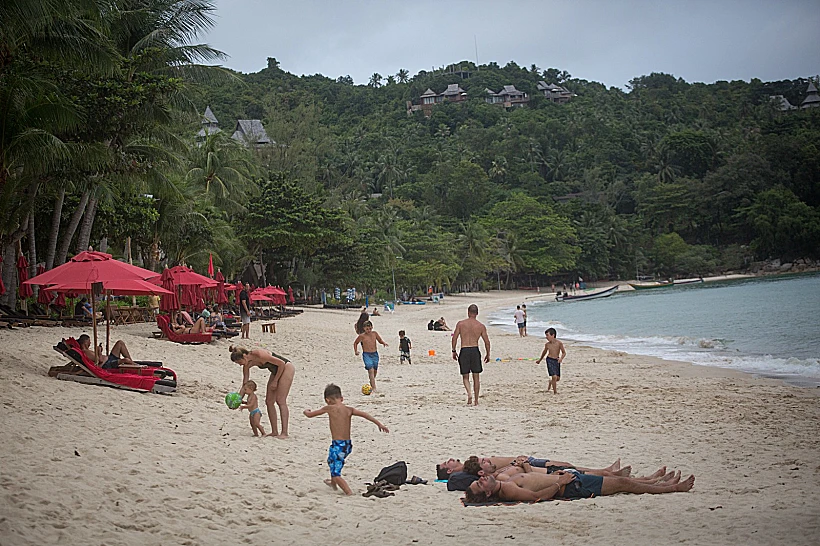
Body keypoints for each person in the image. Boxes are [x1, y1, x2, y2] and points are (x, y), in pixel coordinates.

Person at [303, 384, 389, 496]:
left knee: (335, 472)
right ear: (342, 398)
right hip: (347, 445)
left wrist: (306, 411)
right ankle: (333, 484)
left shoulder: (328, 408)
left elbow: (310, 415)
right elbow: (365, 415)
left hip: (337, 445)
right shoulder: (349, 409)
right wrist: (379, 424)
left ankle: (348, 492)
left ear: (327, 400)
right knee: (332, 462)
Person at [465, 469, 694, 503]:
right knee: (622, 484)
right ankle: (672, 489)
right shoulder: (508, 490)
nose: (482, 477)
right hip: (574, 487)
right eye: (480, 482)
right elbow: (537, 498)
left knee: (621, 483)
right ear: (487, 492)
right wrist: (559, 483)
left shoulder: (503, 483)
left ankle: (654, 481)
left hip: (568, 479)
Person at [230, 345, 296, 438]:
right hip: (275, 371)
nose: (240, 365)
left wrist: (275, 381)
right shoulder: (246, 364)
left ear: (244, 356)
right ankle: (274, 431)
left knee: (280, 400)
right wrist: (237, 400)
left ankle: (284, 432)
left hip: (286, 367)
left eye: (239, 362)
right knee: (269, 401)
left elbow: (281, 363)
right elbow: (245, 384)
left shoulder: (260, 354)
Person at [451, 304, 490, 406]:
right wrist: (488, 354)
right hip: (474, 350)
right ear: (477, 313)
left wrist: (454, 350)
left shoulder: (460, 324)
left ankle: (469, 394)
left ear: (468, 312)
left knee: (465, 376)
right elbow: (487, 341)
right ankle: (476, 401)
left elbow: (454, 338)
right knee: (476, 377)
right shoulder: (481, 326)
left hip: (464, 350)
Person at [353, 320, 388, 392]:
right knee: (370, 370)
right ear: (364, 328)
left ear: (372, 327)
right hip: (367, 354)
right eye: (366, 329)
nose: (368, 330)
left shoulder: (374, 334)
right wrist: (356, 351)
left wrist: (383, 343)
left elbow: (379, 340)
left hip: (375, 354)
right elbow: (355, 343)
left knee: (375, 370)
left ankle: (371, 381)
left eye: (369, 328)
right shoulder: (362, 336)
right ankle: (374, 387)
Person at [536, 328, 566, 394]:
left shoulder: (559, 343)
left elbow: (564, 352)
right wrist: (540, 360)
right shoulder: (547, 344)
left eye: (547, 335)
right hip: (549, 360)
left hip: (556, 360)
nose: (546, 337)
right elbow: (544, 352)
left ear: (553, 335)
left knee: (557, 378)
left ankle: (551, 381)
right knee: (554, 376)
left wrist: (561, 358)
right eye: (546, 335)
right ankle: (555, 392)